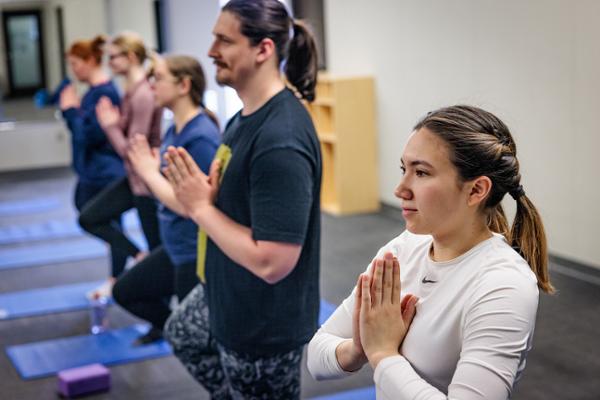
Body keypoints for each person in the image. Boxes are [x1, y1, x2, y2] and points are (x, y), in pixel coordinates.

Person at [307, 105, 554, 399]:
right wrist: (357, 348)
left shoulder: (504, 285)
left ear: (476, 191)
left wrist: (383, 354)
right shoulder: (403, 249)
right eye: (404, 169)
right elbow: (316, 355)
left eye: (421, 172)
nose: (400, 189)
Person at [162, 0, 321, 398]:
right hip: (226, 293)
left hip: (261, 323)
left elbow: (273, 262)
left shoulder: (280, 139)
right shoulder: (242, 117)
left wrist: (200, 207)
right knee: (183, 333)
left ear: (263, 49)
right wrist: (206, 197)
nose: (211, 50)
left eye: (223, 40)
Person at [111, 54, 220, 345]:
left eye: (157, 78)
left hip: (193, 254)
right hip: (172, 247)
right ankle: (173, 329)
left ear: (184, 85)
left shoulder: (201, 137)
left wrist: (149, 172)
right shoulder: (175, 129)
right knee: (124, 291)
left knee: (199, 344)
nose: (150, 85)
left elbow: (193, 207)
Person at [77, 32, 163, 298]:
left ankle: (160, 320)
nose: (109, 62)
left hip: (147, 184)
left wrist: (110, 127)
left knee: (159, 255)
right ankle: (138, 255)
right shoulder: (131, 91)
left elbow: (132, 151)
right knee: (89, 218)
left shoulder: (143, 95)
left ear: (131, 57)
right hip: (134, 180)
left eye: (114, 57)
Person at [60, 35, 127, 276]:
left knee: (109, 223)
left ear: (90, 61)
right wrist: (73, 113)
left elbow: (88, 135)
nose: (73, 70)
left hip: (106, 171)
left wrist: (70, 111)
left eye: (76, 63)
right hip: (91, 170)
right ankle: (129, 259)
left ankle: (122, 269)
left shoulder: (104, 94)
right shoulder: (92, 93)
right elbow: (80, 132)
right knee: (89, 213)